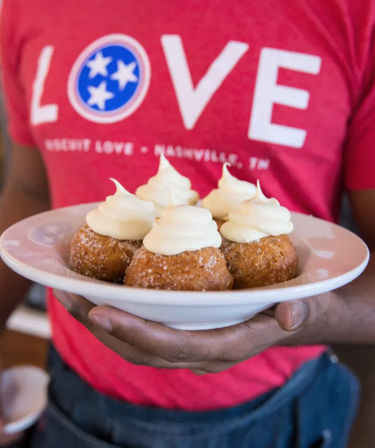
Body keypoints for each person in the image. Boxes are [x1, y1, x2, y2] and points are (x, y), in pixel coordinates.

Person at [0, 0, 374, 446]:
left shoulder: (356, 15)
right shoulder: (26, 8)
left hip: (277, 415)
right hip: (70, 395)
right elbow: (29, 192)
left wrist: (306, 317)